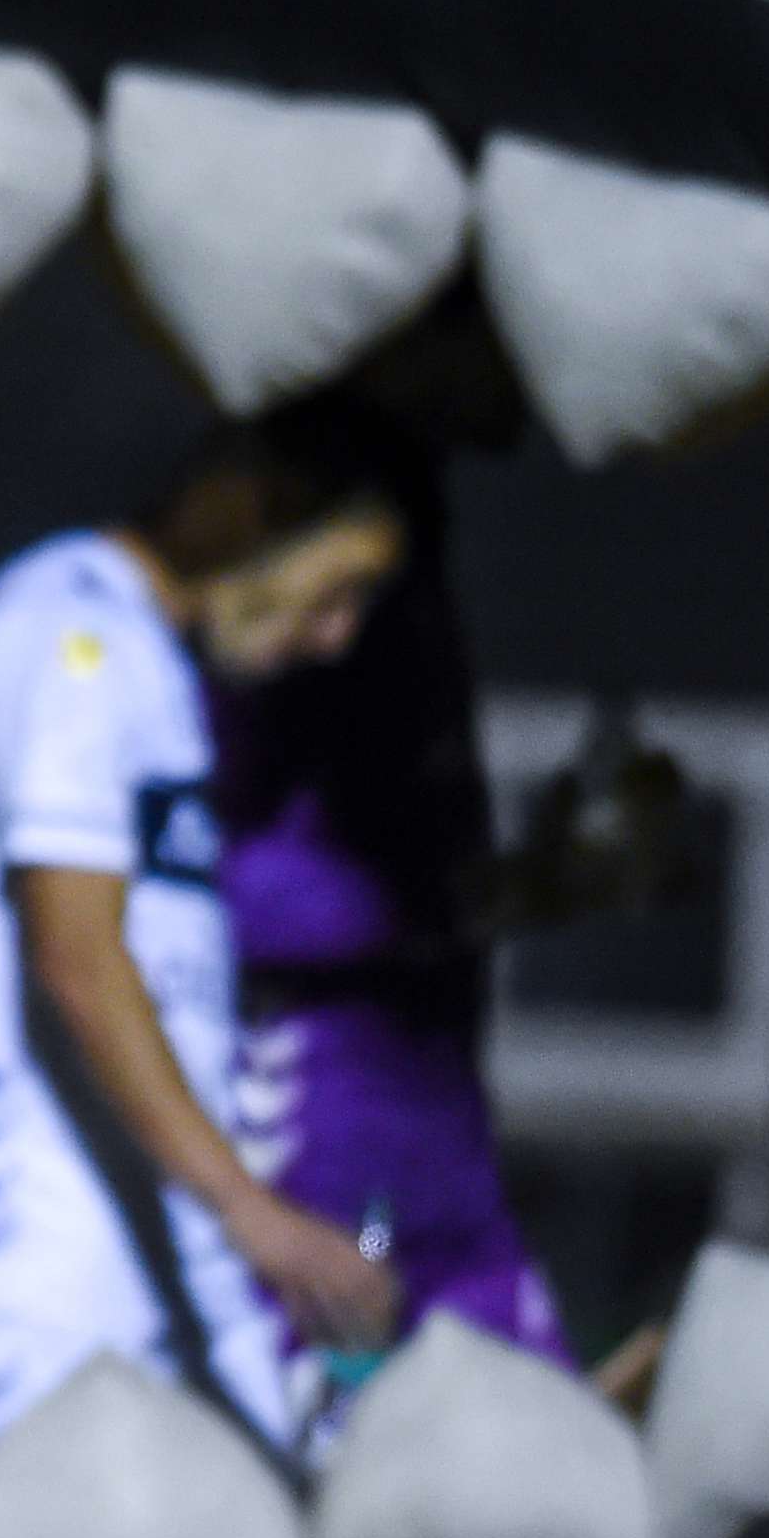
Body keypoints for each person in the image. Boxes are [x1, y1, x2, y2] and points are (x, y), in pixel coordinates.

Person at [0, 399, 413, 1538]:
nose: (335, 637)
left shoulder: (134, 662)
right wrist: (255, 1215)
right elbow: (79, 958)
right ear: (253, 527)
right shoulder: (75, 645)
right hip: (30, 1265)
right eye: (336, 588)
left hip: (139, 1261)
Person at [206, 430, 568, 1372]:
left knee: (530, 1397)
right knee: (353, 1342)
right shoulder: (232, 707)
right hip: (341, 1163)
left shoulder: (407, 693)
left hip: (443, 1146)